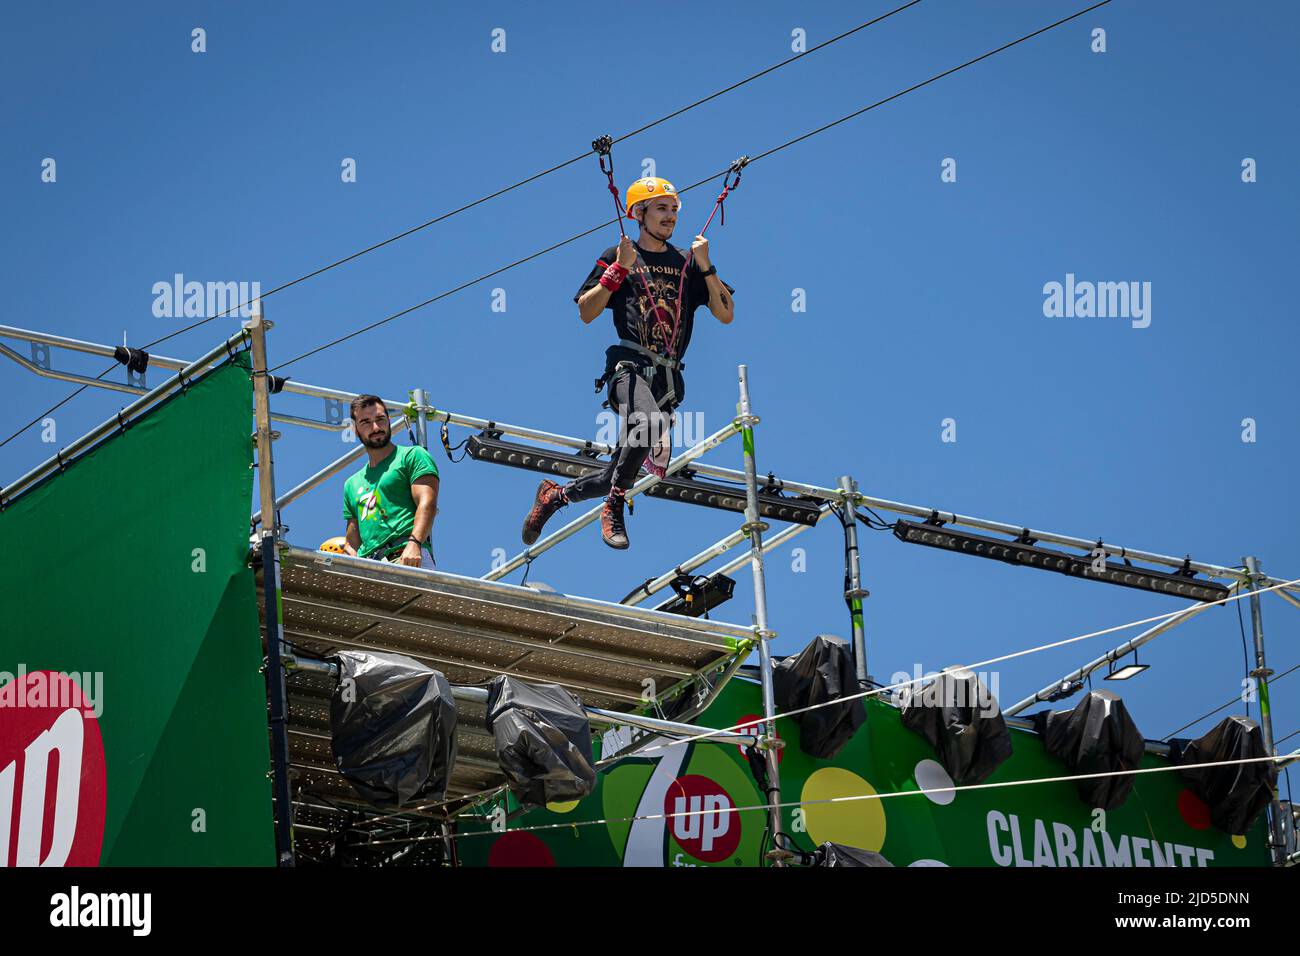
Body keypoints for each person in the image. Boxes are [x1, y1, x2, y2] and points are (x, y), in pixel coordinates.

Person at [521, 175, 735, 550]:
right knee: (647, 424)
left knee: (614, 474)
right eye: (661, 209)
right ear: (639, 213)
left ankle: (554, 497)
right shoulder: (617, 256)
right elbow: (586, 311)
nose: (670, 217)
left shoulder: (688, 263)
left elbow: (726, 313)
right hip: (628, 368)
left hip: (667, 381)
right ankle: (615, 506)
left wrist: (707, 265)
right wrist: (618, 269)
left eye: (674, 210)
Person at [341, 394, 440, 568]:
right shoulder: (352, 484)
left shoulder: (412, 456)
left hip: (406, 555)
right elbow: (352, 541)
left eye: (380, 419)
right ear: (355, 430)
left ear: (388, 420)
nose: (376, 427)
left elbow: (427, 504)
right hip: (371, 566)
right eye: (366, 422)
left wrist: (414, 544)